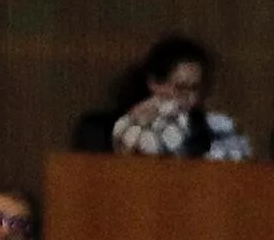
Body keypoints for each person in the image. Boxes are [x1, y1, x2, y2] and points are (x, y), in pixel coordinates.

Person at [82, 35, 251, 161]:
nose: (190, 99)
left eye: (196, 89)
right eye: (181, 88)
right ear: (154, 83)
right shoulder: (103, 129)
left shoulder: (217, 129)